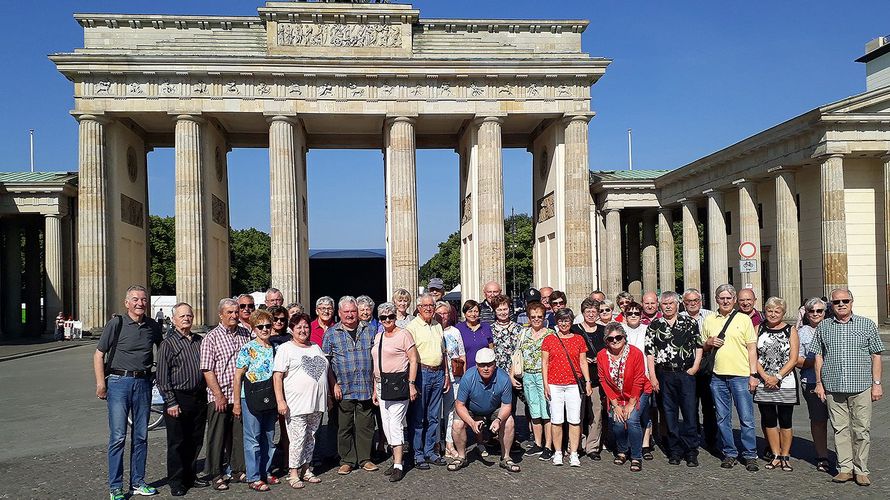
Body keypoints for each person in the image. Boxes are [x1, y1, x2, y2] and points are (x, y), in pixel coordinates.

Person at [92, 285, 163, 500]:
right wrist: (100, 384)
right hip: (118, 382)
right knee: (118, 436)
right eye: (135, 299)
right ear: (127, 303)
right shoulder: (117, 323)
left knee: (141, 436)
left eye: (143, 299)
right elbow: (98, 355)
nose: (140, 303)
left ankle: (138, 481)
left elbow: (163, 350)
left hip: (143, 383)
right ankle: (115, 487)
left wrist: (160, 373)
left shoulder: (152, 325)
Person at [814, 288, 885, 486]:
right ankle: (845, 468)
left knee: (862, 429)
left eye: (845, 300)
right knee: (840, 429)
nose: (841, 304)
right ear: (831, 305)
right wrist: (819, 383)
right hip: (833, 387)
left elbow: (876, 355)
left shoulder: (866, 324)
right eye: (836, 302)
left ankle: (861, 469)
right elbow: (818, 356)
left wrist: (876, 384)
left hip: (861, 386)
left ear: (852, 302)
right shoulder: (824, 326)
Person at [702, 284, 759, 471]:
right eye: (721, 298)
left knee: (746, 418)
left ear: (734, 300)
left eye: (728, 298)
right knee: (722, 417)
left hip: (741, 375)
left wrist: (753, 375)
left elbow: (752, 349)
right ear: (716, 299)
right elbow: (702, 347)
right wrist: (708, 342)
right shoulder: (709, 320)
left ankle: (750, 454)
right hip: (717, 375)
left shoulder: (743, 319)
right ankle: (729, 452)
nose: (725, 301)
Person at [273, 313, 330, 489]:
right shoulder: (286, 349)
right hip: (296, 403)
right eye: (299, 327)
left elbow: (325, 371)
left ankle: (306, 468)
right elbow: (277, 376)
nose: (303, 330)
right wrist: (280, 401)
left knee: (310, 437)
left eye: (306, 326)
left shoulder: (315, 347)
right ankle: (293, 472)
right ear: (291, 329)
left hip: (316, 402)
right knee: (297, 438)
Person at [157, 302, 208, 496]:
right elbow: (162, 377)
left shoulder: (198, 340)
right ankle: (176, 480)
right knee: (177, 441)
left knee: (195, 439)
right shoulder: (167, 344)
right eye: (182, 316)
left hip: (198, 396)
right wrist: (170, 401)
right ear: (173, 319)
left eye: (189, 315)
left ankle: (190, 475)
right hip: (178, 397)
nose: (186, 318)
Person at [645, 292, 702, 467]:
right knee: (669, 414)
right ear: (660, 306)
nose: (668, 306)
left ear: (678, 304)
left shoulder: (690, 323)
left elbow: (699, 346)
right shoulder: (654, 325)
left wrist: (695, 367)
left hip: (686, 373)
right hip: (664, 374)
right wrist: (653, 377)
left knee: (690, 412)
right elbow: (650, 353)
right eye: (664, 304)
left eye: (671, 303)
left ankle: (691, 451)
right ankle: (674, 450)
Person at [322, 296, 377, 475]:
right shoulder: (331, 333)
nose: (350, 315)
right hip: (343, 387)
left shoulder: (370, 330)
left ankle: (365, 458)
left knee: (365, 425)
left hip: (365, 386)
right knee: (343, 426)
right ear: (339, 313)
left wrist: (376, 385)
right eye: (346, 312)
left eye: (353, 311)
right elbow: (326, 362)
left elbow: (376, 359)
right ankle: (347, 460)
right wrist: (333, 384)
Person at [200, 298, 250, 490]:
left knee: (238, 434)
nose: (234, 315)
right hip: (219, 394)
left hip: (240, 395)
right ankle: (215, 473)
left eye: (236, 312)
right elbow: (207, 369)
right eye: (229, 312)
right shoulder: (211, 337)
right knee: (217, 435)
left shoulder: (245, 333)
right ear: (220, 314)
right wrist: (218, 394)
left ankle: (238, 469)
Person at [448, 348, 520, 473]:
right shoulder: (468, 377)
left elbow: (507, 405)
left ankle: (506, 457)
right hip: (470, 408)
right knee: (457, 424)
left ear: (495, 364)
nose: (486, 368)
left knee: (509, 421)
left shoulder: (503, 378)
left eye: (489, 364)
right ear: (476, 365)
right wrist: (471, 422)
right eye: (482, 365)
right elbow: (459, 405)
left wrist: (498, 420)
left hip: (494, 408)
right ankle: (461, 456)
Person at [371, 302, 419, 481]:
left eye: (391, 316)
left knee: (395, 423)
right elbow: (375, 362)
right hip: (381, 384)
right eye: (383, 317)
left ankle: (399, 464)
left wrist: (412, 383)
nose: (387, 320)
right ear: (380, 319)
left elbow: (413, 360)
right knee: (386, 425)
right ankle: (395, 458)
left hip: (398, 383)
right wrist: (375, 389)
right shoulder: (378, 336)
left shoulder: (404, 334)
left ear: (395, 317)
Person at [232, 309, 279, 492]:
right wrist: (236, 402)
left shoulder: (275, 347)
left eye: (268, 325)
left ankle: (265, 471)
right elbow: (237, 377)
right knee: (253, 438)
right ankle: (253, 477)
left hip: (269, 397)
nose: (265, 329)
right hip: (250, 397)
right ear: (254, 328)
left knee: (269, 436)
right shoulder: (248, 348)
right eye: (260, 326)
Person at [598, 322, 652, 473]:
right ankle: (622, 450)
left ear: (624, 338)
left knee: (632, 419)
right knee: (618, 421)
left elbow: (639, 379)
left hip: (638, 392)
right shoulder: (602, 355)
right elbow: (603, 380)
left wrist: (631, 404)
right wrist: (615, 405)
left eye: (618, 337)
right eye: (610, 339)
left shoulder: (635, 353)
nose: (615, 341)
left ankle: (636, 456)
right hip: (617, 395)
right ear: (606, 340)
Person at [753, 296, 799, 472]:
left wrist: (777, 377)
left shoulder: (791, 330)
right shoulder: (758, 329)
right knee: (769, 419)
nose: (773, 314)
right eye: (769, 310)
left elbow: (793, 358)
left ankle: (786, 454)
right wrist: (765, 377)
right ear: (765, 312)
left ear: (783, 313)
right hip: (764, 382)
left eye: (777, 311)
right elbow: (754, 355)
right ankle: (775, 454)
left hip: (785, 382)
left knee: (785, 420)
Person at [405, 293, 450, 469]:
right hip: (421, 374)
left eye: (431, 305)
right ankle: (417, 454)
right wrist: (411, 382)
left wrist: (446, 374)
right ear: (418, 307)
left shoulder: (438, 325)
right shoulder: (412, 327)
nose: (429, 308)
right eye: (425, 306)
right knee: (418, 417)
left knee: (434, 416)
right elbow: (409, 357)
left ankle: (431, 451)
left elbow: (443, 352)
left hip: (438, 373)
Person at [542, 308, 592, 467]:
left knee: (575, 420)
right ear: (556, 322)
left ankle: (574, 453)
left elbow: (583, 362)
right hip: (554, 384)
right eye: (561, 320)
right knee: (556, 420)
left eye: (567, 320)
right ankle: (557, 452)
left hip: (573, 385)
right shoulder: (549, 339)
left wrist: (588, 381)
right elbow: (544, 363)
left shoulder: (578, 339)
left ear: (571, 322)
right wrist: (545, 384)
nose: (564, 323)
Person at [514, 301, 554, 459]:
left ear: (544, 317)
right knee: (534, 411)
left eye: (540, 316)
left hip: (544, 376)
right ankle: (537, 443)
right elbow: (517, 355)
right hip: (528, 376)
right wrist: (512, 375)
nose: (537, 319)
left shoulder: (550, 334)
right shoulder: (523, 333)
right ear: (528, 318)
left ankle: (548, 445)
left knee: (547, 412)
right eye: (533, 317)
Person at [796, 297, 831, 473]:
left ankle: (847, 457)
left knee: (842, 422)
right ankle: (822, 456)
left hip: (835, 381)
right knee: (818, 420)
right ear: (806, 313)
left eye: (819, 311)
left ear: (825, 312)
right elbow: (796, 360)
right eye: (812, 311)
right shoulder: (802, 333)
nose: (815, 314)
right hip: (810, 381)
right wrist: (815, 361)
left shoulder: (833, 327)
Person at [681, 288, 718, 452]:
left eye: (695, 300)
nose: (692, 304)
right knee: (690, 404)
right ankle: (693, 437)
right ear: (684, 303)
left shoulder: (711, 316)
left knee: (710, 405)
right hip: (688, 367)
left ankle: (711, 439)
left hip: (708, 365)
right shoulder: (679, 318)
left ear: (700, 301)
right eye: (689, 301)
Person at [571, 297, 606, 461]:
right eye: (588, 311)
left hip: (597, 378)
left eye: (594, 311)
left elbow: (609, 352)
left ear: (598, 313)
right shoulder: (574, 330)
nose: (591, 314)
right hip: (577, 379)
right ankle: (577, 444)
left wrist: (599, 360)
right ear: (582, 312)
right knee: (577, 414)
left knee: (595, 414)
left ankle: (592, 446)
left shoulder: (603, 330)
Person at [624, 301, 654, 459]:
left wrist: (650, 374)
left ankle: (645, 444)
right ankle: (630, 443)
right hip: (625, 378)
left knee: (643, 411)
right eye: (630, 313)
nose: (633, 316)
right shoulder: (620, 331)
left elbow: (650, 353)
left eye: (636, 313)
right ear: (625, 316)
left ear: (641, 315)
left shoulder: (647, 330)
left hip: (645, 376)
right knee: (629, 411)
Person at [437, 301, 465, 459]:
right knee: (434, 413)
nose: (442, 316)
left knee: (450, 412)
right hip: (435, 376)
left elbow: (462, 355)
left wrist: (464, 375)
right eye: (439, 313)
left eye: (445, 313)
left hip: (455, 378)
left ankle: (449, 443)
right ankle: (435, 443)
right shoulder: (433, 329)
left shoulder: (455, 331)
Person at [456, 300, 494, 372]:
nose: (473, 314)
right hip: (466, 370)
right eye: (470, 311)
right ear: (464, 313)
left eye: (476, 311)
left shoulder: (486, 327)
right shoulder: (458, 328)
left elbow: (491, 349)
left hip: (484, 369)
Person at [490, 295, 521, 376]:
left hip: (516, 370)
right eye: (499, 310)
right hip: (497, 372)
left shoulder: (519, 329)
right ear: (494, 311)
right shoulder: (490, 330)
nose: (503, 313)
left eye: (505, 309)